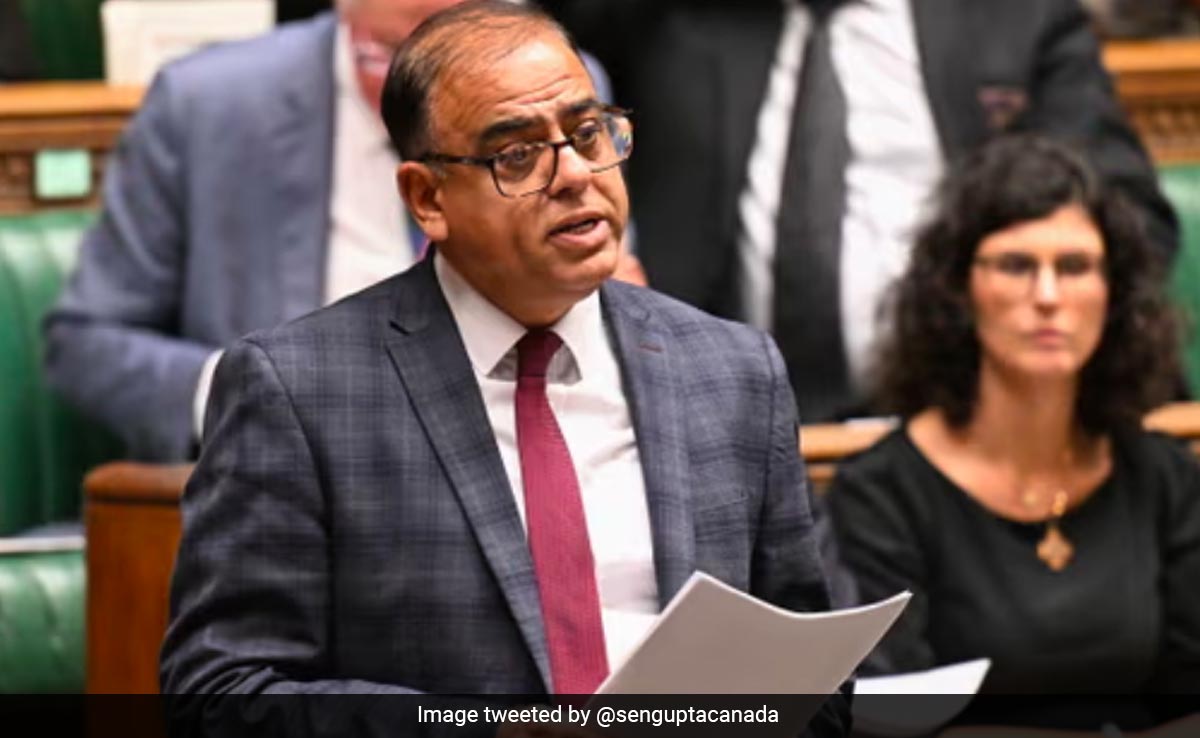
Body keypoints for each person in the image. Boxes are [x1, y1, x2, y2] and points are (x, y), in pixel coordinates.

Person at [159, 3, 850, 737]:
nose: (575, 175)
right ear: (428, 198)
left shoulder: (733, 372)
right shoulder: (299, 390)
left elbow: (814, 682)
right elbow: (219, 694)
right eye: (518, 156)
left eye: (588, 134)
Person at [42, 0, 631, 462]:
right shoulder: (207, 105)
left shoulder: (551, 86)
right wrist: (258, 399)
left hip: (522, 456)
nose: (431, 97)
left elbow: (610, 291)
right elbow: (87, 342)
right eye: (394, 59)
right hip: (286, 484)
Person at [541, 0, 1179, 423]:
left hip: (966, 440)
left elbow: (1128, 224)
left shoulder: (1014, 17)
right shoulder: (667, 20)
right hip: (717, 441)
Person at [827, 135, 1200, 725]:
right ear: (957, 290)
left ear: (1114, 293)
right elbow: (893, 715)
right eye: (1016, 265)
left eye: (1075, 267)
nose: (1048, 296)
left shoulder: (1163, 477)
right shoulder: (881, 495)